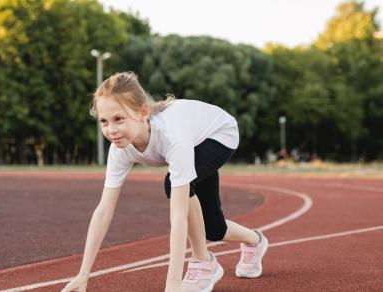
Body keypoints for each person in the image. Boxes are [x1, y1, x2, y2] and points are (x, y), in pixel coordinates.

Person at [61, 72, 268, 292]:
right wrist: (83, 275)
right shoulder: (119, 149)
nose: (111, 130)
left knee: (174, 184)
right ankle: (255, 241)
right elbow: (103, 211)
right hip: (193, 136)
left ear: (142, 113)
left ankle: (203, 262)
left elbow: (178, 216)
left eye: (119, 119)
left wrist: (173, 283)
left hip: (219, 134)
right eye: (104, 121)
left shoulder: (172, 137)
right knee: (214, 229)